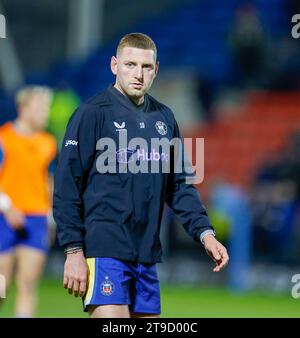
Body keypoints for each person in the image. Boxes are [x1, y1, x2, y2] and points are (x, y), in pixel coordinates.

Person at [53, 33, 229, 318]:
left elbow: (179, 185)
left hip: (146, 255)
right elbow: (66, 186)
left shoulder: (164, 118)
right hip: (104, 250)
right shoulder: (91, 114)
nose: (138, 74)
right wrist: (73, 250)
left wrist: (205, 233)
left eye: (146, 67)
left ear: (156, 69)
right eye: (130, 65)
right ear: (114, 65)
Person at [0, 86, 56, 317]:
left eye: (47, 108)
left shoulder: (48, 142)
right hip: (4, 217)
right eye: (40, 107)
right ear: (23, 109)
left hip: (36, 219)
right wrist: (7, 206)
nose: (46, 113)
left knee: (28, 285)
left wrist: (51, 219)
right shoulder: (4, 138)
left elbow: (48, 181)